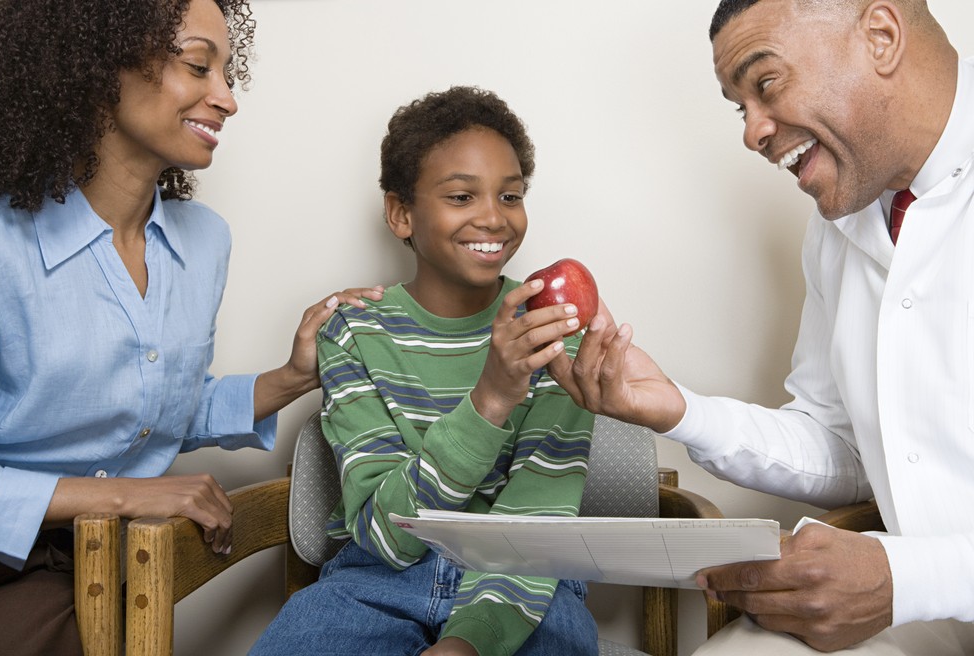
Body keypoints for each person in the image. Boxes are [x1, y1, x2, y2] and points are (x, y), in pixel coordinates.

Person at [548, 0, 974, 654]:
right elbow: (844, 450)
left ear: (882, 37)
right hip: (928, 611)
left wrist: (906, 576)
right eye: (738, 106)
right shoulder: (840, 223)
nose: (751, 133)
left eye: (766, 83)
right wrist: (678, 409)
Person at [0, 1, 381, 654]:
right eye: (199, 65)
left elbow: (153, 405)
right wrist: (125, 496)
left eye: (228, 72)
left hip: (100, 566)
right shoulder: (0, 246)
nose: (226, 98)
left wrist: (291, 378)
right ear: (95, 69)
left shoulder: (204, 244)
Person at [250, 86, 599, 656]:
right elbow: (388, 538)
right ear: (401, 213)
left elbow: (537, 525)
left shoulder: (553, 335)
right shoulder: (355, 334)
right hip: (375, 584)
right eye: (462, 196)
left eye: (511, 195)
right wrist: (489, 401)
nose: (494, 217)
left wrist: (469, 642)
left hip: (527, 587)